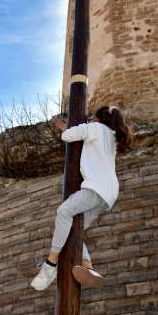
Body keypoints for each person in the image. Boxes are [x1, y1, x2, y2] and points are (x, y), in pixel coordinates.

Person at [30, 105, 133, 291]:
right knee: (72, 230)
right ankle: (89, 268)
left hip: (96, 188)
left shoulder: (95, 128)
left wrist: (66, 129)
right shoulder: (111, 137)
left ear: (98, 119)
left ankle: (51, 264)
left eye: (93, 119)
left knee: (64, 211)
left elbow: (69, 136)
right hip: (109, 193)